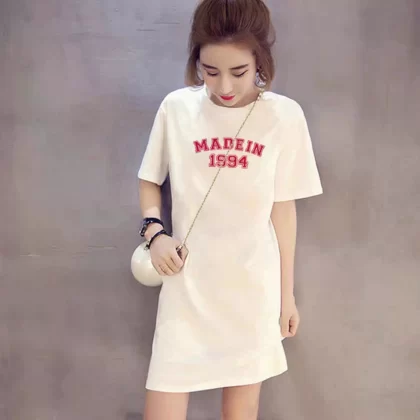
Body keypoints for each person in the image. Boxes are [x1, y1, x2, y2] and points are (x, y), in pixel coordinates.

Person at [137, 0, 323, 419]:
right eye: (210, 70)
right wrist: (155, 233)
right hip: (186, 287)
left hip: (251, 291)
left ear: (260, 59)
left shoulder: (284, 117)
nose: (223, 85)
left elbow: (283, 211)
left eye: (238, 72)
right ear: (196, 61)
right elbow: (149, 178)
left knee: (240, 412)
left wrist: (286, 298)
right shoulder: (176, 108)